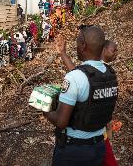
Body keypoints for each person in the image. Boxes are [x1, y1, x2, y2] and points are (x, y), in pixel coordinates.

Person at [44, 25, 118, 165]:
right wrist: (63, 54)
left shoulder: (75, 78)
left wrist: (43, 108)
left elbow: (61, 121)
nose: (76, 46)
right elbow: (85, 80)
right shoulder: (109, 74)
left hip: (74, 151)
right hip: (98, 148)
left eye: (77, 43)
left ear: (83, 45)